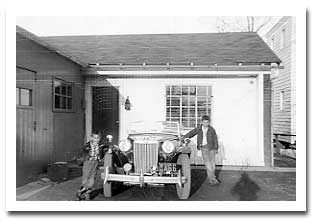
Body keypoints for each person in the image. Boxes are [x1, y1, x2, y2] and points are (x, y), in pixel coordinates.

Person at [183, 115, 220, 185]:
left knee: (212, 163)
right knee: (208, 164)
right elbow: (191, 133)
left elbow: (215, 139)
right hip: (204, 148)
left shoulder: (211, 129)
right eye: (204, 122)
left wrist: (216, 148)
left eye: (207, 122)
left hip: (211, 148)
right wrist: (184, 137)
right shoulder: (199, 129)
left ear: (209, 122)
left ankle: (212, 178)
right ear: (202, 122)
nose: (206, 124)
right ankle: (212, 179)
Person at [76, 132, 105, 200]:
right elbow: (82, 153)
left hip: (95, 163)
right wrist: (83, 158)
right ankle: (82, 191)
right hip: (88, 162)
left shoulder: (100, 146)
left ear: (100, 138)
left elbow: (102, 153)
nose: (96, 139)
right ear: (91, 138)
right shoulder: (87, 145)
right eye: (95, 138)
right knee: (86, 177)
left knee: (92, 178)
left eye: (98, 138)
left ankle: (85, 192)